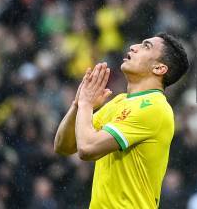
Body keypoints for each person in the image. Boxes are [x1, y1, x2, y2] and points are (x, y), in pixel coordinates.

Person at [53, 33, 189, 208]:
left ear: (159, 69)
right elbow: (63, 146)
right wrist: (78, 105)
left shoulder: (155, 107)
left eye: (146, 46)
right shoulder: (119, 102)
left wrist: (86, 104)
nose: (134, 46)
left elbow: (87, 149)